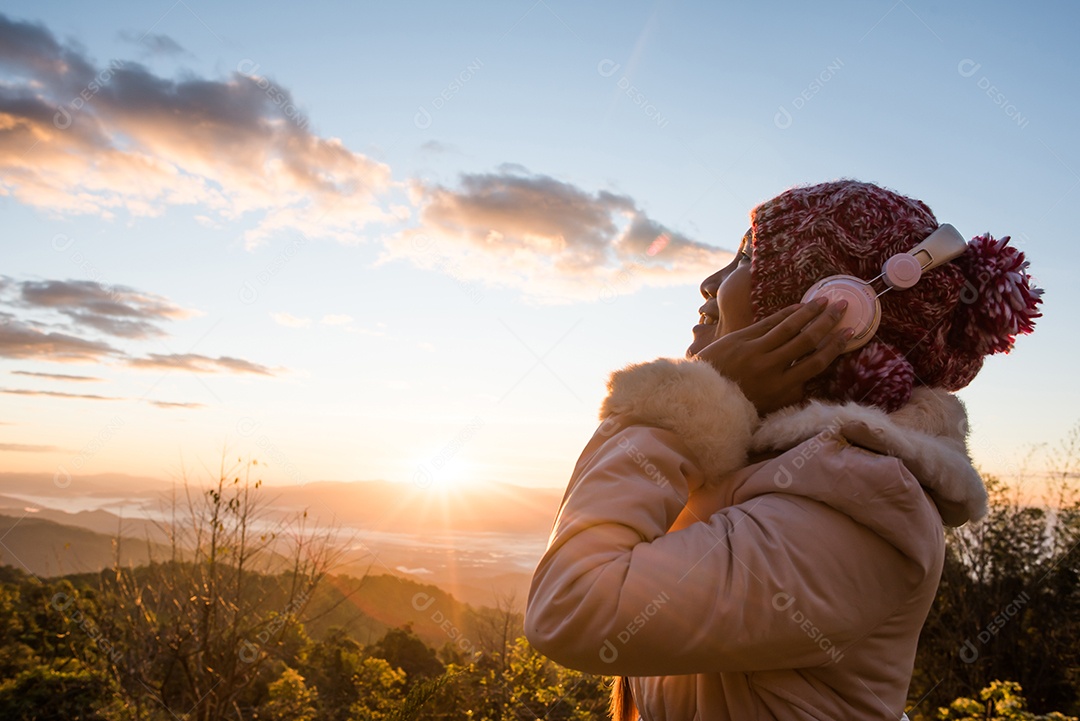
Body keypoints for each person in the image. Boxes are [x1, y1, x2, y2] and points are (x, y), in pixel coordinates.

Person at [524, 180, 1043, 720]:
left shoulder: (864, 510)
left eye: (746, 256)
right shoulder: (775, 474)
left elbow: (573, 605)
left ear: (839, 309)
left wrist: (681, 406)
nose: (709, 283)